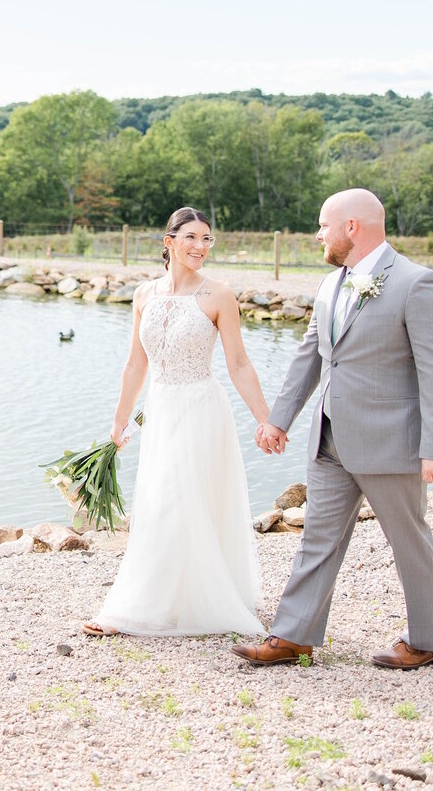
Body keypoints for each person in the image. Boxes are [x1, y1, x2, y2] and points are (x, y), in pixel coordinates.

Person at [233, 188, 433, 670]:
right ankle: (293, 636)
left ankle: (427, 640)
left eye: (323, 224)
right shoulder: (330, 285)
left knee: (409, 541)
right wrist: (279, 418)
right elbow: (311, 358)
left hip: (391, 442)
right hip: (329, 438)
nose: (318, 234)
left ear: (351, 227)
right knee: (317, 537)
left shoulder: (417, 283)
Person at [83, 207, 272, 637]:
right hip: (162, 408)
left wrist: (265, 420)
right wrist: (119, 421)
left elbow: (239, 364)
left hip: (202, 409)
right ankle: (163, 599)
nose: (200, 247)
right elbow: (135, 364)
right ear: (168, 242)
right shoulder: (144, 294)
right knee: (156, 502)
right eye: (191, 237)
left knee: (179, 501)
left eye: (207, 239)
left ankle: (138, 609)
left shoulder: (218, 295)